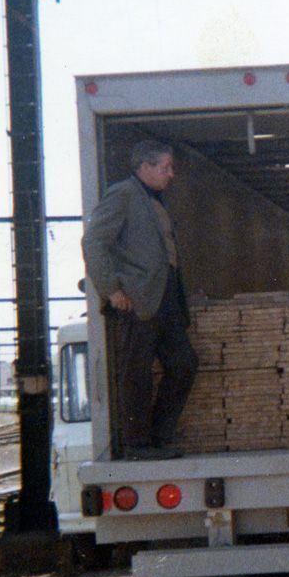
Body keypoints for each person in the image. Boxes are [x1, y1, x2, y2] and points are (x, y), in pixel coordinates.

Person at [82, 140, 198, 460]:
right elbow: (93, 243)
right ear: (145, 167)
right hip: (137, 298)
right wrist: (111, 290)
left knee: (184, 363)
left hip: (166, 297)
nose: (171, 174)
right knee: (136, 371)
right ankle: (138, 445)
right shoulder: (122, 194)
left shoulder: (154, 200)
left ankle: (158, 437)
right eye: (165, 168)